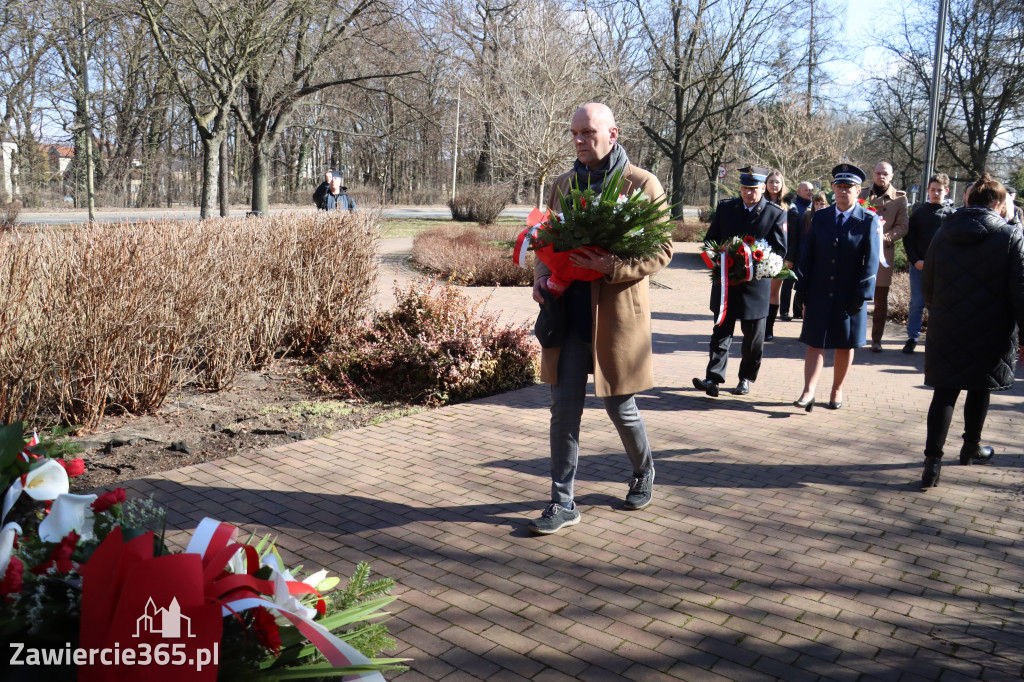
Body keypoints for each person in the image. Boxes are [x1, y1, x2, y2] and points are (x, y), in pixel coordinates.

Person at [528, 102, 673, 535]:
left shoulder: (642, 184)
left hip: (614, 317)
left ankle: (643, 470)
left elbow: (661, 250)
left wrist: (612, 264)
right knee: (563, 409)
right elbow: (544, 240)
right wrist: (539, 278)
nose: (579, 140)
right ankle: (562, 501)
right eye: (574, 133)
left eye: (588, 133)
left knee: (619, 406)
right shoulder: (563, 184)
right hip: (568, 314)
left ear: (613, 132)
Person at [919, 174, 1024, 488]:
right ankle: (971, 446)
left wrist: (941, 311)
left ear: (968, 200)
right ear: (997, 203)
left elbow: (928, 284)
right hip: (992, 327)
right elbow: (1020, 290)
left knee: (944, 391)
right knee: (980, 388)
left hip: (947, 324)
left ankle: (932, 463)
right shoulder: (1010, 235)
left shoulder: (942, 232)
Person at [692, 166, 787, 397]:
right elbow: (710, 241)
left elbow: (780, 251)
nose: (748, 193)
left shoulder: (775, 213)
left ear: (763, 188)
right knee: (720, 332)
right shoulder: (726, 208)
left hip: (756, 285)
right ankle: (713, 378)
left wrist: (760, 263)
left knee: (753, 339)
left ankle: (745, 378)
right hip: (726, 283)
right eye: (745, 187)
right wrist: (716, 258)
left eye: (754, 189)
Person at [793, 164, 880, 411]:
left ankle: (836, 390)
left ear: (858, 190)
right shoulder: (820, 217)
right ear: (832, 189)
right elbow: (808, 255)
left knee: (845, 343)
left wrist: (862, 294)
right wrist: (801, 288)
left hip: (849, 293)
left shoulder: (867, 219)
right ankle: (808, 390)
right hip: (820, 289)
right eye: (839, 187)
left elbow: (871, 261)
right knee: (815, 341)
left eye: (848, 187)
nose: (843, 191)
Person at [902, 173, 954, 354]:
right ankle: (912, 337)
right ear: (928, 190)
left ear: (946, 191)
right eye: (933, 190)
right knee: (917, 302)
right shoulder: (918, 213)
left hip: (942, 268)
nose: (936, 193)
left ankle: (936, 338)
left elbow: (954, 244)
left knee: (939, 304)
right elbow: (908, 240)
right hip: (919, 266)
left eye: (939, 190)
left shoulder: (951, 216)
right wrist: (915, 260)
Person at [859, 162, 908, 352]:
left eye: (885, 174)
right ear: (873, 174)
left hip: (883, 253)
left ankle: (876, 339)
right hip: (861, 251)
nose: (881, 176)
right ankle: (854, 335)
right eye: (878, 173)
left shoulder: (899, 199)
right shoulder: (862, 195)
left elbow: (903, 226)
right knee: (857, 294)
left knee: (880, 300)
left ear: (892, 176)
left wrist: (884, 237)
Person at [780, 181, 815, 321]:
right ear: (799, 191)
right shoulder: (793, 208)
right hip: (795, 251)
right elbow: (791, 235)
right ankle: (783, 311)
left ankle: (797, 310)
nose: (810, 192)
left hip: (808, 251)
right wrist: (789, 256)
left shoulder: (814, 206)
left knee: (802, 283)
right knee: (788, 282)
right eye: (807, 190)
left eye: (812, 190)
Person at [793, 191, 830, 317]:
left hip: (822, 253)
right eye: (817, 203)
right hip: (806, 251)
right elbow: (803, 235)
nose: (819, 206)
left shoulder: (829, 215)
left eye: (822, 203)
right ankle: (797, 309)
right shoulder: (808, 216)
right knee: (801, 281)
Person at [764, 170, 790, 340]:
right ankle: (755, 326)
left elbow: (791, 234)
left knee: (773, 293)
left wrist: (788, 257)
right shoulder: (759, 202)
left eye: (777, 182)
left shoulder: (789, 206)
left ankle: (769, 328)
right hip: (759, 252)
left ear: (782, 185)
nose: (774, 185)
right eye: (771, 181)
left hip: (778, 255)